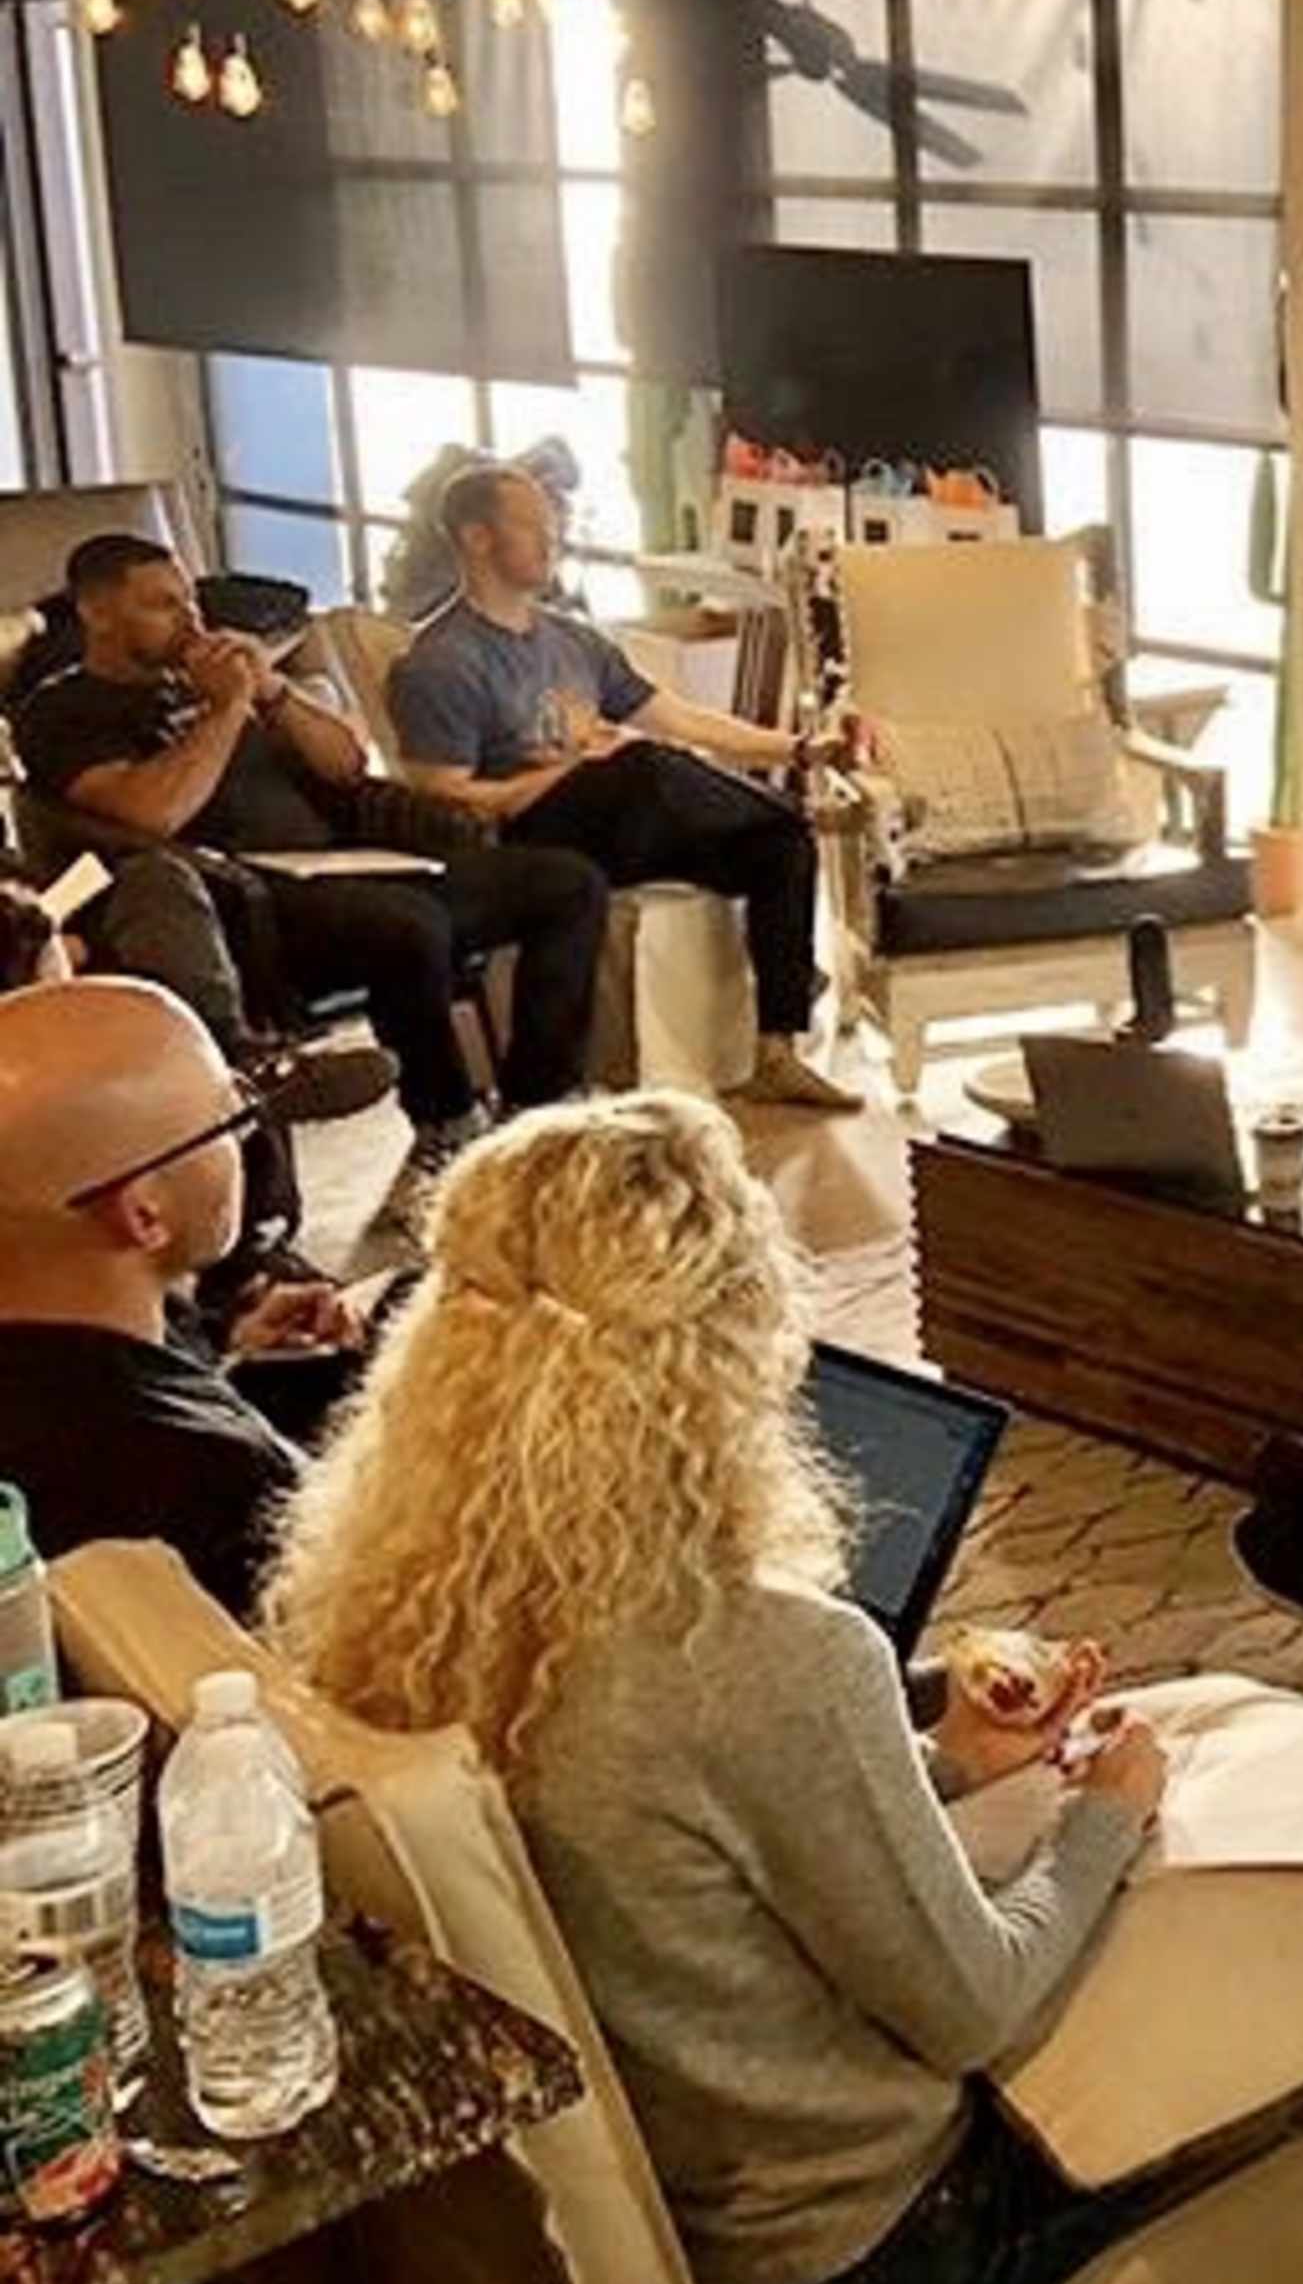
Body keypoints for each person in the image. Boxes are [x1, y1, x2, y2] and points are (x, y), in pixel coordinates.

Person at [257, 1093, 1303, 2284]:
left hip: (669, 2211)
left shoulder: (387, 1602)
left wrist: (950, 1757)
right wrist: (1112, 1809)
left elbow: (675, 1841)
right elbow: (975, 2004)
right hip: (876, 2257)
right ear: (732, 1338)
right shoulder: (766, 1648)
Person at [12, 534, 606, 1189]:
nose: (191, 620)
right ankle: (447, 1126)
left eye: (190, 600)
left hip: (353, 864)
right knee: (408, 926)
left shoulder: (229, 677)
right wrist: (226, 709)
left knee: (566, 882)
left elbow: (347, 767)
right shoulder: (63, 710)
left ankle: (539, 1104)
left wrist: (273, 694)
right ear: (97, 612)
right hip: (244, 900)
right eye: (162, 605)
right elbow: (150, 814)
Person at [389, 464, 859, 1112]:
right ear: (477, 538)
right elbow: (445, 797)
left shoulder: (572, 639)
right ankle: (812, 818)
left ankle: (776, 1048)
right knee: (640, 765)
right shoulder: (441, 660)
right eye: (531, 526)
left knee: (780, 840)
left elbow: (682, 718)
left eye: (552, 525)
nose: (551, 540)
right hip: (530, 831)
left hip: (622, 818)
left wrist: (800, 749)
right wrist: (570, 773)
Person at [0, 977, 358, 1613]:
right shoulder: (218, 1486)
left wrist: (225, 1364)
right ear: (144, 1215)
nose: (243, 1143)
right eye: (229, 1119)